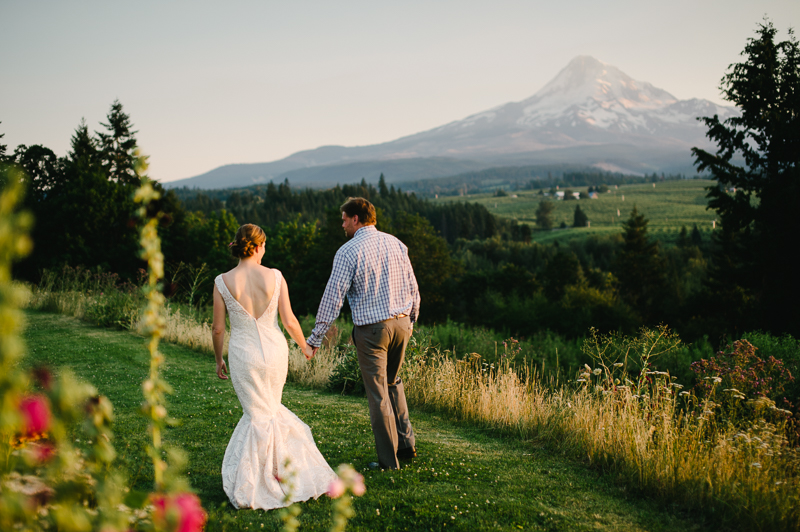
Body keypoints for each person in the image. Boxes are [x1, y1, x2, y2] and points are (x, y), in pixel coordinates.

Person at [212, 223, 336, 510]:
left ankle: (260, 480)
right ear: (256, 247)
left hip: (244, 355)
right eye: (264, 245)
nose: (265, 250)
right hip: (275, 351)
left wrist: (218, 358)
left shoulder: (222, 282)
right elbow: (290, 320)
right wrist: (305, 346)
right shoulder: (276, 277)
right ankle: (284, 473)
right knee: (270, 411)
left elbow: (218, 329)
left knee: (258, 415)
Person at [307, 197, 420, 470]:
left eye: (344, 219)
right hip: (402, 323)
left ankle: (388, 462)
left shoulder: (347, 251)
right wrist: (411, 320)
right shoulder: (396, 243)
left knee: (378, 393)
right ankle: (406, 445)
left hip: (373, 331)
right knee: (394, 382)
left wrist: (316, 337)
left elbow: (333, 297)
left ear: (356, 218)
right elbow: (413, 286)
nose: (342, 224)